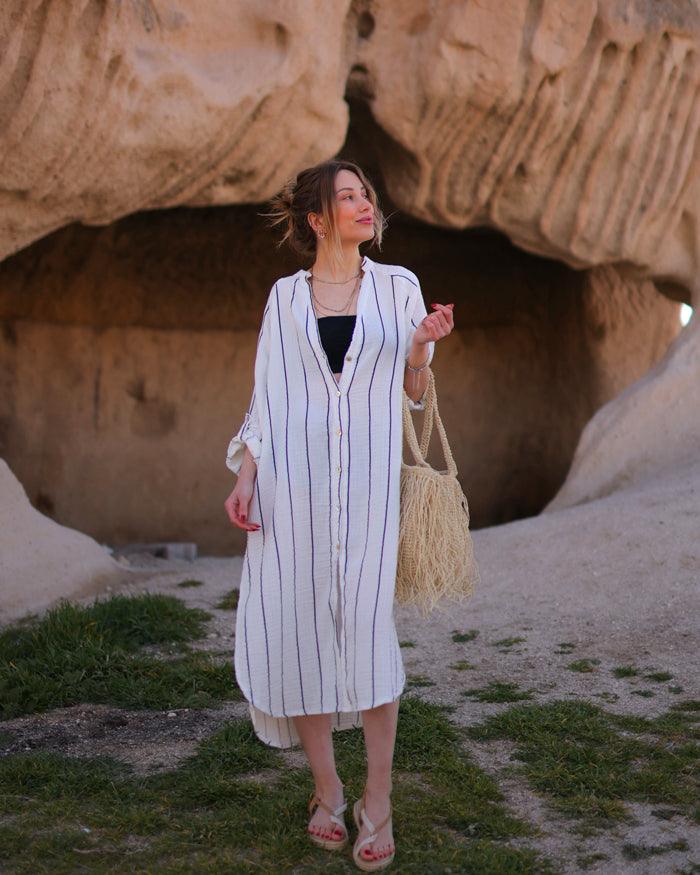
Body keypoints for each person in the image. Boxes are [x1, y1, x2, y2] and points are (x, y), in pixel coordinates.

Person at [224, 158, 454, 870]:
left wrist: (420, 347)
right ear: (317, 219)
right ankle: (327, 788)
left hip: (368, 497)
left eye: (366, 195)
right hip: (291, 493)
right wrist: (247, 474)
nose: (364, 205)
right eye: (346, 197)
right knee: (299, 635)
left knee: (367, 637)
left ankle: (375, 801)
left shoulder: (399, 287)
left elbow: (416, 396)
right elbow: (268, 396)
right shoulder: (285, 298)